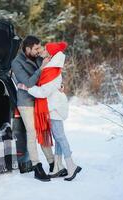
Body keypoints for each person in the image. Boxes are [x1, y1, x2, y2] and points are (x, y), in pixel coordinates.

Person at [18, 41, 82, 181]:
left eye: (46, 49)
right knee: (58, 139)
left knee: (60, 137)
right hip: (52, 107)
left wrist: (27, 88)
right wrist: (60, 84)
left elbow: (43, 92)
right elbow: (53, 83)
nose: (43, 50)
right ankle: (57, 165)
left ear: (51, 53)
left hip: (54, 108)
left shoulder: (51, 70)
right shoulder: (51, 67)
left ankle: (71, 165)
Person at [11, 35, 54, 182]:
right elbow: (29, 82)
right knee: (32, 132)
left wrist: (58, 83)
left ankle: (53, 163)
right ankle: (37, 167)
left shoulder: (39, 57)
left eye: (39, 48)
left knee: (43, 130)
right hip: (26, 102)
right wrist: (41, 68)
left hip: (41, 100)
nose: (38, 51)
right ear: (27, 48)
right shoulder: (17, 63)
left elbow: (50, 74)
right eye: (35, 48)